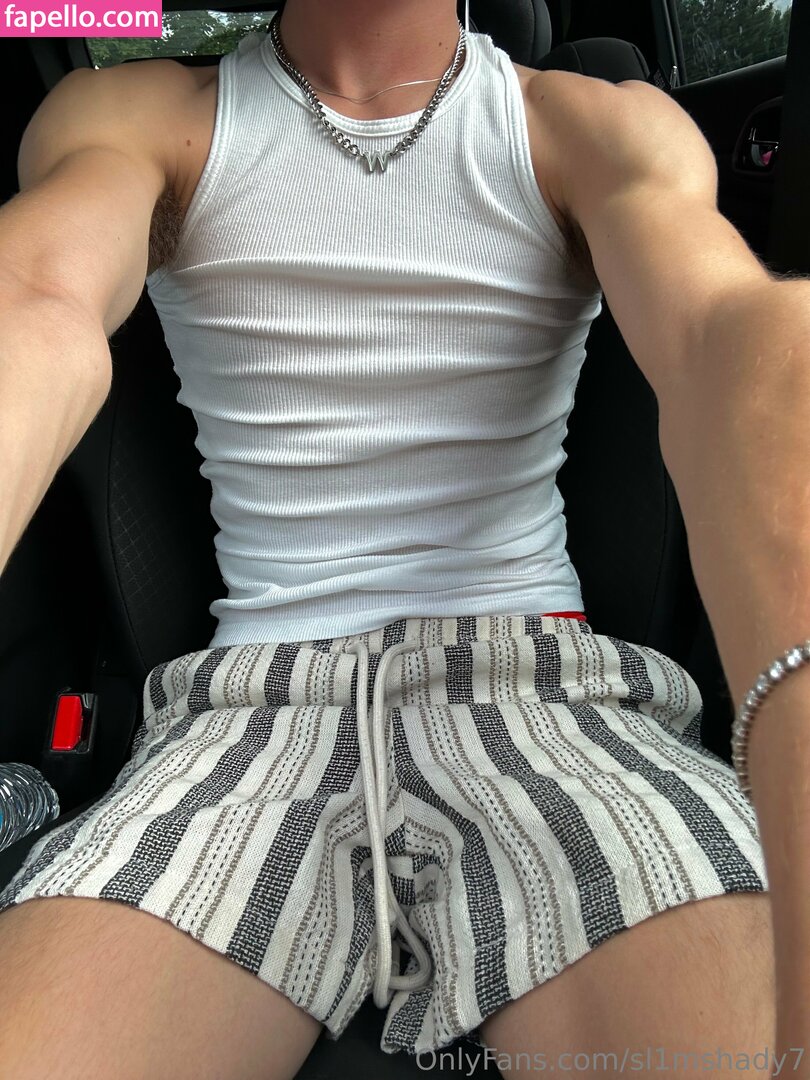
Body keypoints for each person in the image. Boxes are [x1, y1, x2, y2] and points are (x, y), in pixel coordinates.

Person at [0, 0, 807, 1076]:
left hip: (541, 684)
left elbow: (727, 339)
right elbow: (33, 302)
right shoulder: (137, 115)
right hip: (248, 708)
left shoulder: (587, 124)